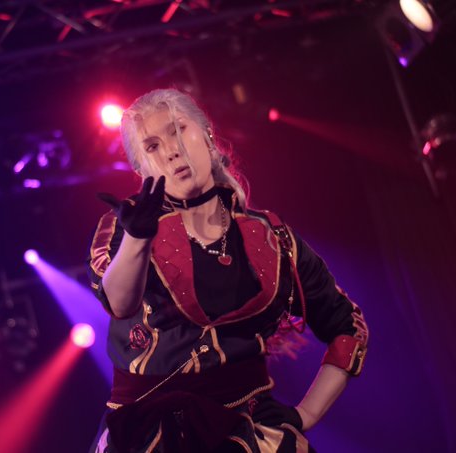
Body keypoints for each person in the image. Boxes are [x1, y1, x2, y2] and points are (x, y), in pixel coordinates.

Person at [87, 88, 368, 452]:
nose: (172, 150)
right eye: (153, 146)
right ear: (141, 170)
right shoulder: (123, 229)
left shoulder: (274, 237)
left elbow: (347, 328)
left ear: (207, 134)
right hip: (152, 439)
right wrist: (138, 238)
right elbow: (119, 304)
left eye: (178, 130)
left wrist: (305, 415)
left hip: (251, 435)